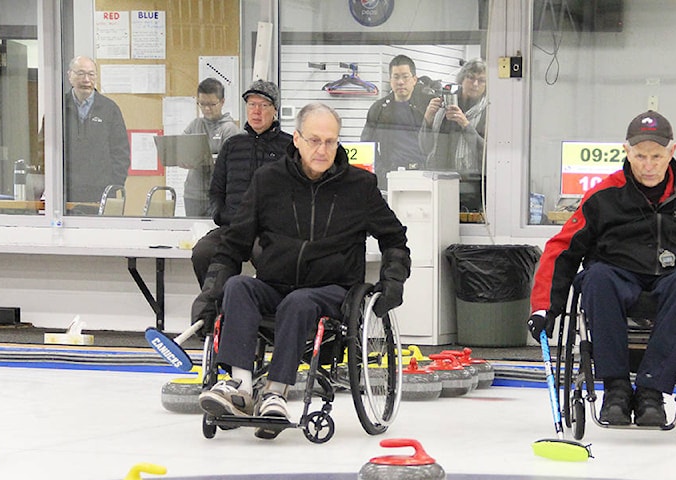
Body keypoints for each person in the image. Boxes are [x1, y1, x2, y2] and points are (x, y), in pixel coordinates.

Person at [528, 111, 676, 427]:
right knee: (596, 278)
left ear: (671, 152)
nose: (648, 165)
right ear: (627, 152)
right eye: (640, 156)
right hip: (618, 275)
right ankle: (616, 391)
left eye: (656, 156)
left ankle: (652, 392)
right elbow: (562, 249)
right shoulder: (604, 195)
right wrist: (545, 307)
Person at [193, 102, 410, 437]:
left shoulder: (360, 186)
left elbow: (394, 238)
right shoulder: (268, 181)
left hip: (332, 290)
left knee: (299, 303)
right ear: (296, 139)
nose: (322, 149)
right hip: (275, 283)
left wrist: (392, 281)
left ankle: (276, 392)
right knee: (238, 287)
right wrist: (210, 296)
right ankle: (241, 385)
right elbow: (234, 244)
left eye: (330, 141)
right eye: (314, 140)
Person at [191, 79, 292, 287]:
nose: (256, 111)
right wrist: (221, 214)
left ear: (275, 110)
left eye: (263, 106)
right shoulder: (233, 145)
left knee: (269, 258)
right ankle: (216, 307)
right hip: (233, 226)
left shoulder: (290, 147)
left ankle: (262, 308)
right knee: (203, 252)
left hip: (271, 232)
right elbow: (216, 190)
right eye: (251, 105)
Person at [420, 58, 488, 212]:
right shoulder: (444, 104)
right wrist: (428, 119)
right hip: (437, 184)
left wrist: (465, 125)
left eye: (481, 80)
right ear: (462, 79)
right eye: (471, 78)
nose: (475, 84)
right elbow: (424, 148)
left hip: (471, 190)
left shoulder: (487, 112)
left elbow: (487, 155)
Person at [63, 56, 130, 208]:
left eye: (91, 74)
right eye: (80, 73)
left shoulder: (109, 109)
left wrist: (114, 186)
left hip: (101, 192)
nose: (86, 80)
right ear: (69, 76)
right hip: (66, 192)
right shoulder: (58, 106)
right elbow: (44, 148)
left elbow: (121, 152)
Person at [360, 55, 434, 190]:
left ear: (414, 80)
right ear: (390, 80)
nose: (400, 82)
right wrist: (381, 173)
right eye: (396, 77)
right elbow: (366, 146)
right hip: (391, 176)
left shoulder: (428, 106)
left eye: (405, 77)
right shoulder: (379, 109)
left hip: (425, 176)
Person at [181, 78, 240, 218]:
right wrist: (182, 159)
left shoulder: (230, 130)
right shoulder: (195, 124)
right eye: (202, 104)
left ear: (222, 102)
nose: (206, 109)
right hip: (193, 194)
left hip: (217, 194)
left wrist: (208, 160)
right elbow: (181, 148)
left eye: (212, 104)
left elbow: (232, 165)